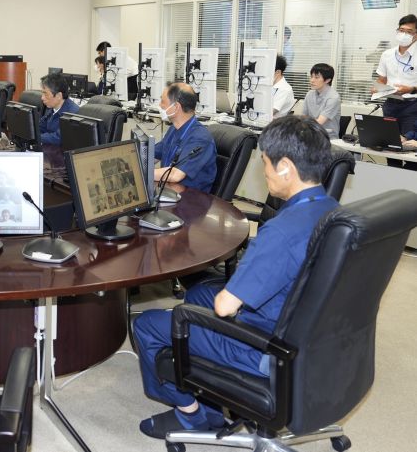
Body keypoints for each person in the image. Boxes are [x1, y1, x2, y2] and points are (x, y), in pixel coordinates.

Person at [134, 115, 339, 440]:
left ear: (285, 166)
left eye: (267, 163)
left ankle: (192, 416)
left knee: (147, 324)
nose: (264, 171)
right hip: (311, 331)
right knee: (197, 293)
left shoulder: (283, 231)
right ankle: (215, 398)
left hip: (267, 347)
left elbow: (226, 306)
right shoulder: (332, 210)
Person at [153, 83, 217, 192]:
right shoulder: (174, 129)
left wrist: (140, 173)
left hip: (191, 201)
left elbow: (175, 175)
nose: (160, 105)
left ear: (176, 107)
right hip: (168, 191)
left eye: (163, 101)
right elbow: (152, 154)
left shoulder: (200, 138)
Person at [374, 14, 417, 169]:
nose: (404, 34)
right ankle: (393, 179)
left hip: (412, 106)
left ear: (416, 34)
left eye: (409, 31)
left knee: (410, 148)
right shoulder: (387, 54)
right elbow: (381, 80)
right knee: (390, 147)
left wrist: (410, 89)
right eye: (401, 30)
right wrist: (377, 87)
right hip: (390, 103)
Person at [301, 63, 341, 139]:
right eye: (311, 77)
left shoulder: (333, 97)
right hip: (310, 134)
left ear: (327, 80)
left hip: (327, 138)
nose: (312, 80)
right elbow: (304, 117)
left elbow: (319, 122)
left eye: (316, 77)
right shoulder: (309, 94)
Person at [39, 72, 79, 146]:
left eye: (45, 94)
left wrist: (37, 137)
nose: (42, 98)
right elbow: (41, 127)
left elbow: (59, 138)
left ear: (59, 96)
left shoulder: (73, 113)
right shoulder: (51, 108)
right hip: (52, 150)